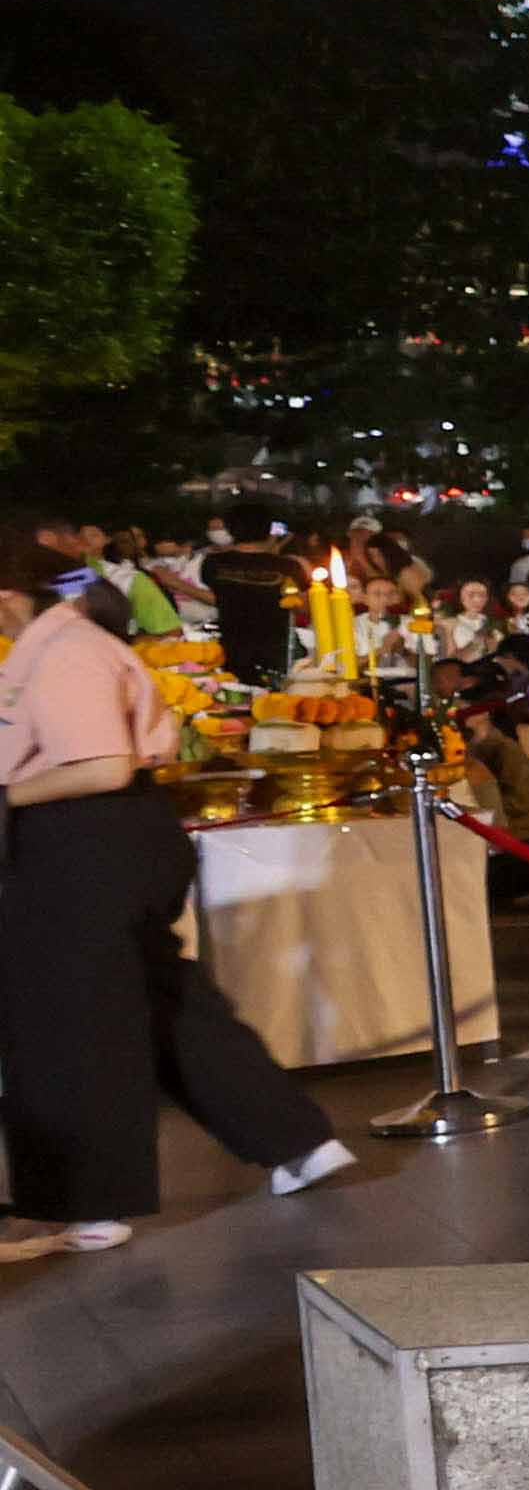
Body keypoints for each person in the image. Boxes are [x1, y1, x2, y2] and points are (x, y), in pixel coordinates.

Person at [0, 514, 348, 1254]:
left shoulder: (65, 652)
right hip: (104, 839)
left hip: (86, 839)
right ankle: (294, 1138)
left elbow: (101, 766)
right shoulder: (58, 646)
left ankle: (87, 1203)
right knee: (166, 1003)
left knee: (73, 1023)